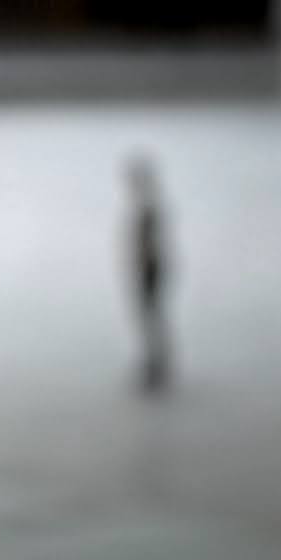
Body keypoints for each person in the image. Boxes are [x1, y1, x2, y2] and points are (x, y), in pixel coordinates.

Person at [125, 150, 175, 392]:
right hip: (150, 268)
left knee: (151, 317)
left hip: (150, 269)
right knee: (150, 317)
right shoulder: (148, 206)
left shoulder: (148, 208)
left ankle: (157, 365)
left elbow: (150, 243)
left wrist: (144, 265)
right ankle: (155, 363)